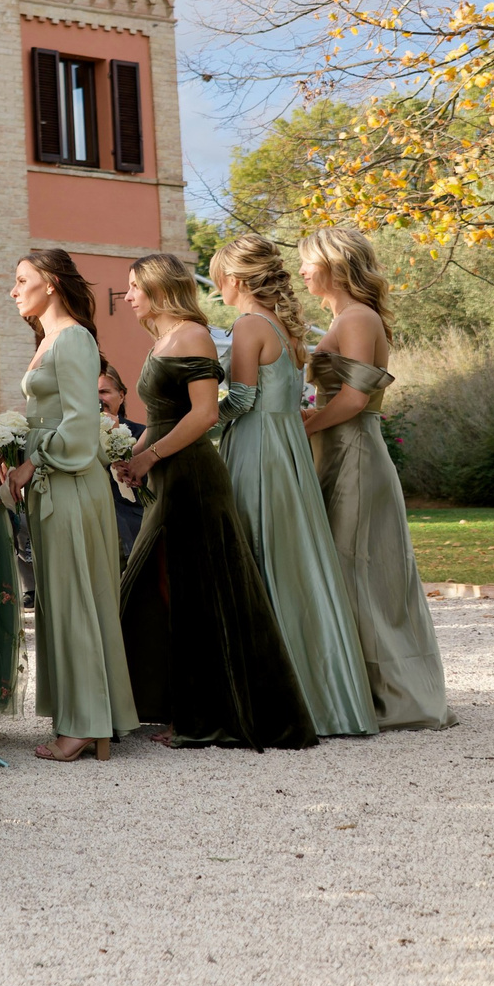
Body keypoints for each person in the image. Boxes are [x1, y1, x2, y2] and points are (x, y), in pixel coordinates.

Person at [113, 253, 317, 752]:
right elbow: (164, 416)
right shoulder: (161, 339)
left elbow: (205, 415)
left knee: (197, 594)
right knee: (157, 588)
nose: (128, 295)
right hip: (166, 471)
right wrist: (132, 454)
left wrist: (148, 456)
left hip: (194, 477)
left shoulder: (193, 336)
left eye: (135, 286)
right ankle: (160, 703)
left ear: (161, 290)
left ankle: (207, 715)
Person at [212, 234, 376, 739]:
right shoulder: (287, 326)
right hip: (288, 450)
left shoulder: (248, 325)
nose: (217, 286)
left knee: (259, 558)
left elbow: (240, 400)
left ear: (235, 280)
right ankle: (320, 691)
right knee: (295, 562)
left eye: (218, 277)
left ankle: (270, 696)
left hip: (258, 448)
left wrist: (191, 422)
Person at [300, 226, 452, 729]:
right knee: (346, 570)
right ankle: (353, 688)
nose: (302, 270)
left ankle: (392, 698)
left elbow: (355, 399)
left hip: (355, 457)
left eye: (308, 261)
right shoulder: (344, 316)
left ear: (334, 264)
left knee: (360, 570)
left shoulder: (359, 317)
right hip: (336, 454)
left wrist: (300, 430)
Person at [4, 248, 137, 761]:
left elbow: (82, 424)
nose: (14, 291)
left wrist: (31, 463)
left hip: (71, 483)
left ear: (52, 284)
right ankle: (83, 717)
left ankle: (86, 723)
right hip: (51, 485)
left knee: (78, 596)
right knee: (60, 599)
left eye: (22, 280)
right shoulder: (49, 340)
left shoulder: (76, 338)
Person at [97, 361, 146, 558]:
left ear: (121, 395)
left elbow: (146, 487)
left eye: (104, 392)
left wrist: (115, 434)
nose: (98, 400)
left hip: (131, 522)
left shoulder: (140, 434)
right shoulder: (78, 437)